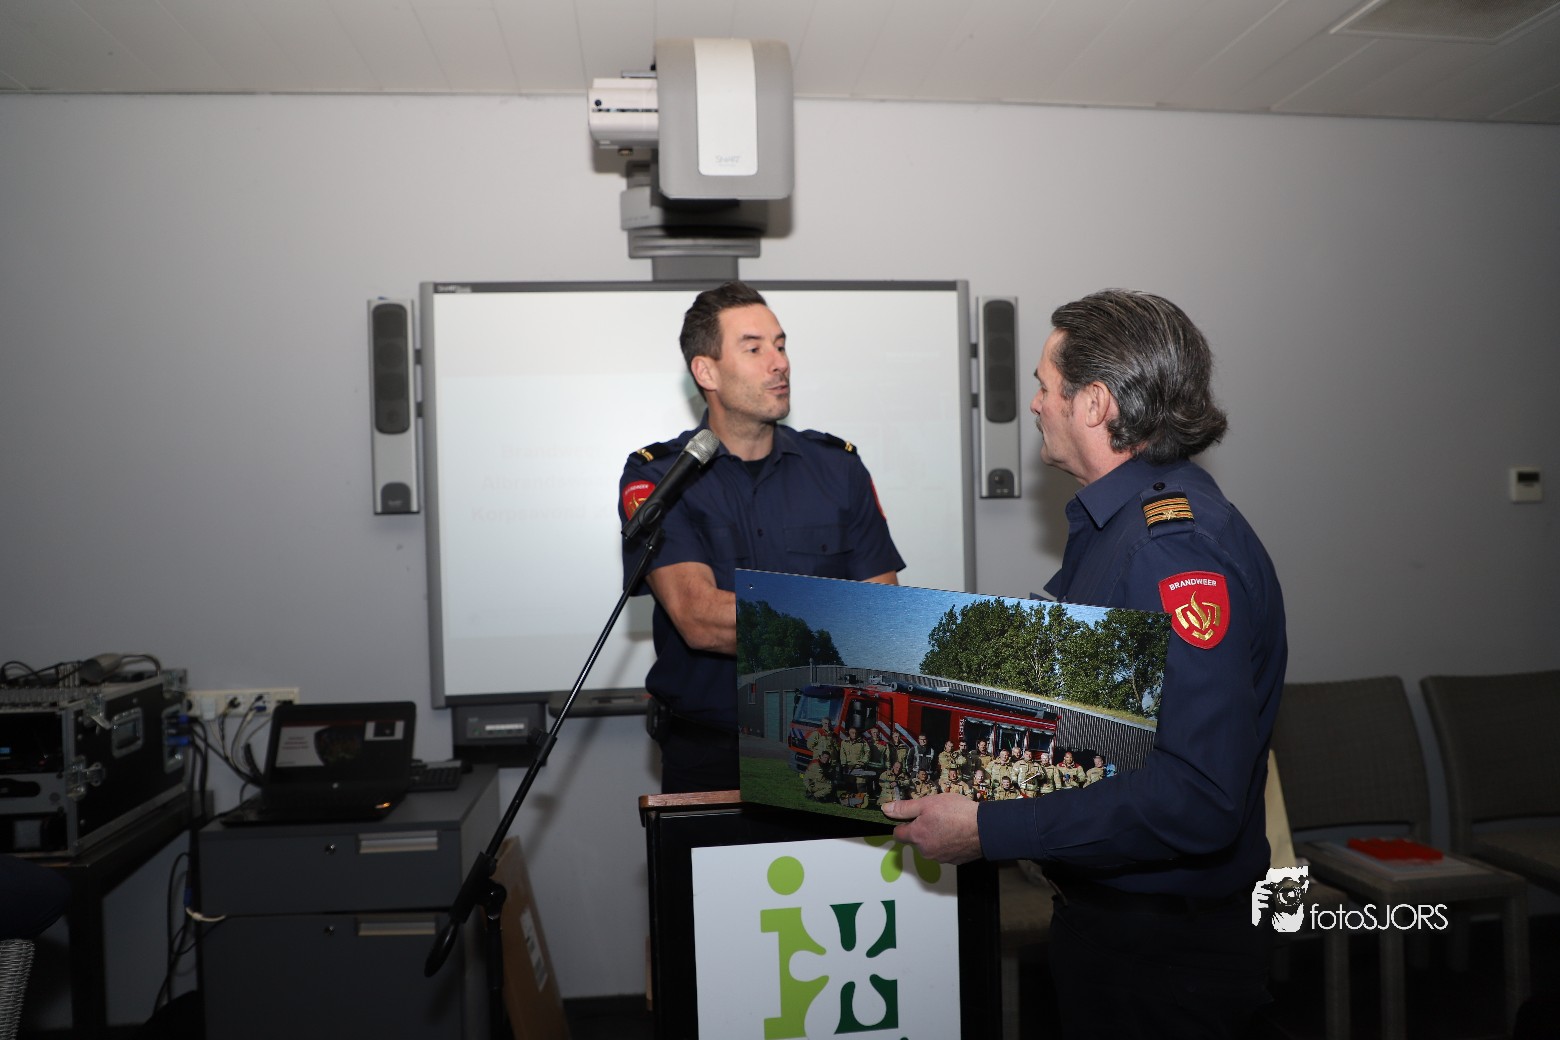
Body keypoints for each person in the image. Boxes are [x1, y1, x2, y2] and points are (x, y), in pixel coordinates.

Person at [883, 288, 1287, 1038]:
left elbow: (1197, 797)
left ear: (1095, 404)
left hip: (1163, 956)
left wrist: (991, 830)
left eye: (1045, 385)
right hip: (1119, 932)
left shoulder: (1170, 549)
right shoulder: (1117, 528)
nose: (1036, 404)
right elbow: (1100, 729)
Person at [619, 281, 904, 793]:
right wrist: (840, 620)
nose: (780, 363)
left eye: (781, 345)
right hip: (708, 755)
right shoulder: (660, 478)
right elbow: (700, 618)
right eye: (754, 349)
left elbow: (883, 613)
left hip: (831, 748)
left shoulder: (838, 469)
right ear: (706, 372)